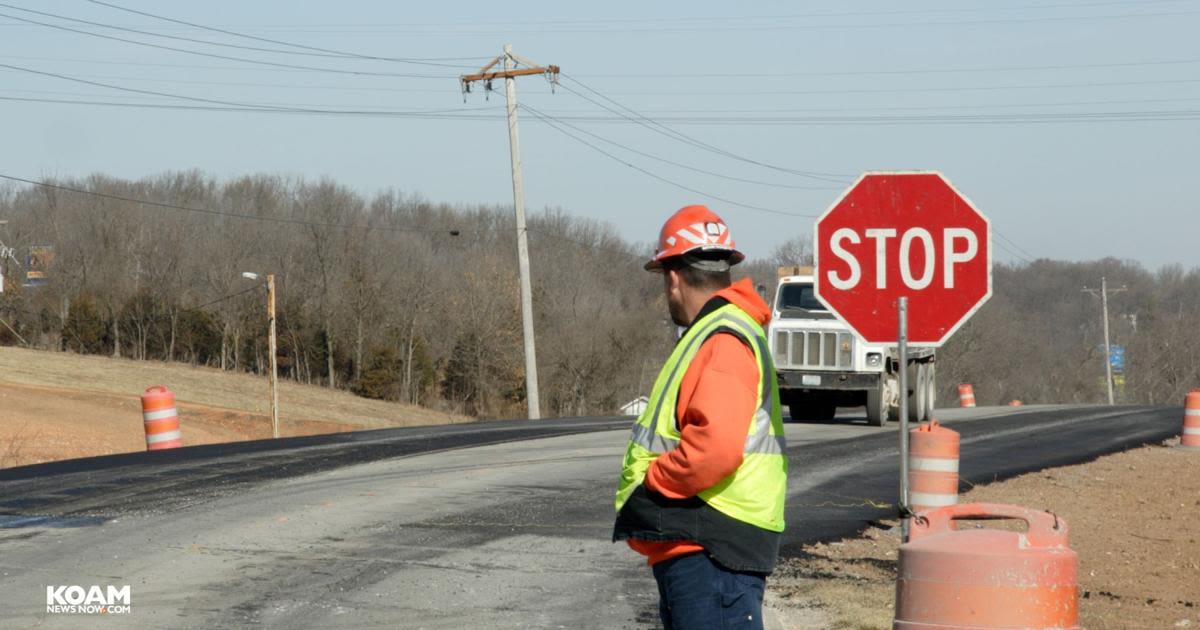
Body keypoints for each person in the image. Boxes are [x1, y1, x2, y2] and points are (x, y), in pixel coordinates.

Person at [614, 205, 788, 630]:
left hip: (711, 551)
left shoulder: (722, 339)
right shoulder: (718, 333)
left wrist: (654, 482)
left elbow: (714, 450)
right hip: (707, 548)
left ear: (673, 277)